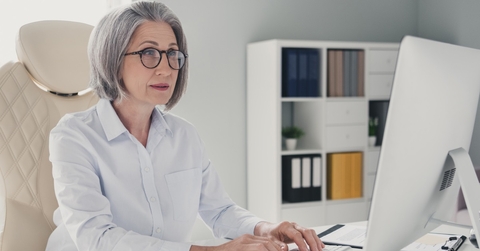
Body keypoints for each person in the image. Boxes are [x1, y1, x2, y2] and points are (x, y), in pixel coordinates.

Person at [45, 1, 325, 251]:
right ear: (113, 60)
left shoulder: (184, 136)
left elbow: (219, 210)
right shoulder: (73, 137)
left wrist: (265, 229)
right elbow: (96, 238)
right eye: (149, 53)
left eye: (172, 54)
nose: (166, 68)